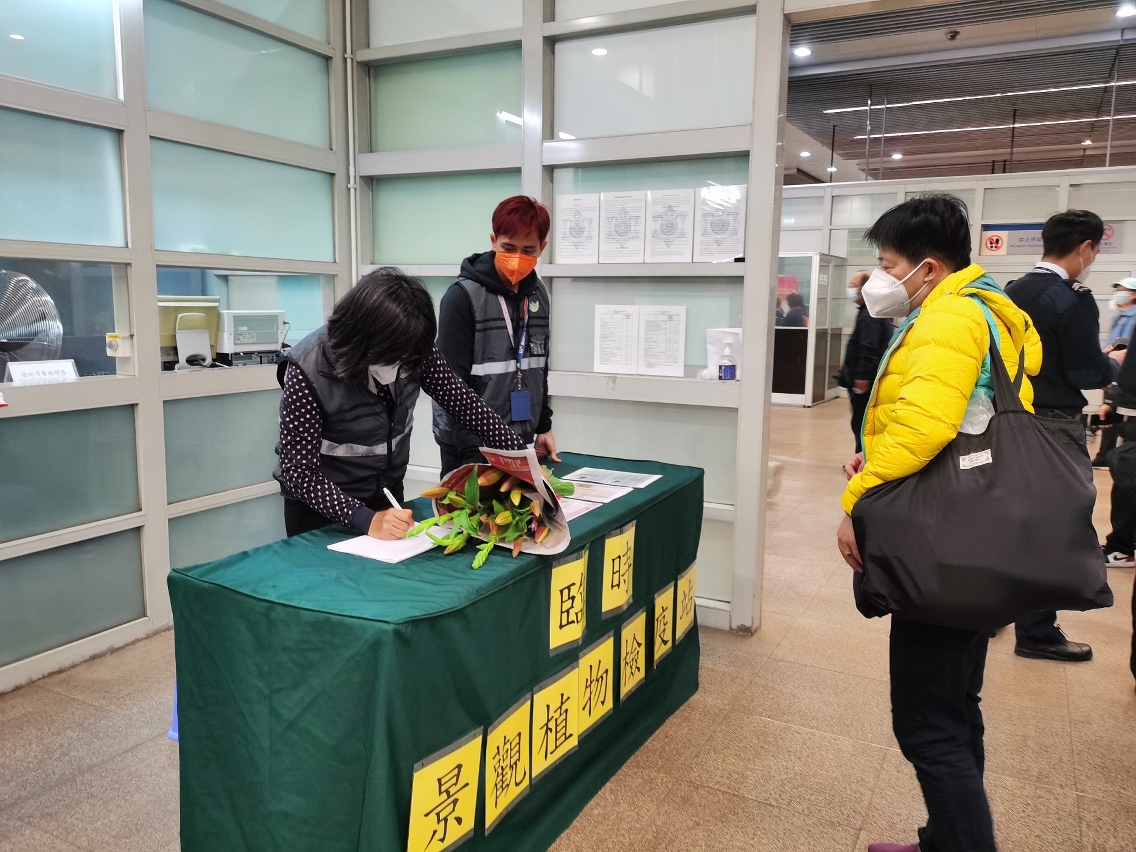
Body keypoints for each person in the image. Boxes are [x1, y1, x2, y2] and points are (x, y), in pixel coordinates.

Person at [836, 194, 1042, 852]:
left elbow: (924, 431)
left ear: (928, 267)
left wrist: (857, 501)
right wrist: (878, 450)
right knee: (954, 705)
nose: (880, 277)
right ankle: (945, 840)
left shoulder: (949, 317)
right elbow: (960, 420)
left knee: (927, 723)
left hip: (944, 543)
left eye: (888, 263)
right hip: (978, 531)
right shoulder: (984, 308)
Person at [274, 268, 526, 539]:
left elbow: (465, 404)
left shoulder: (411, 346)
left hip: (386, 494)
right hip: (321, 511)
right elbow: (297, 472)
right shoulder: (308, 370)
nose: (401, 366)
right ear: (363, 342)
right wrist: (366, 519)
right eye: (393, 358)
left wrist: (522, 461)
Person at [1005, 209, 1123, 663]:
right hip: (1054, 425)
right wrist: (1112, 362)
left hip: (1010, 419)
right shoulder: (1072, 299)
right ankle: (1036, 632)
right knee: (1054, 526)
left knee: (1009, 516)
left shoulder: (1012, 291)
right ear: (1086, 247)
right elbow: (1086, 372)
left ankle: (993, 606)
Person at [435, 196, 558, 476]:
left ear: (542, 247)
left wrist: (543, 425)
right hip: (468, 445)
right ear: (493, 241)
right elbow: (449, 385)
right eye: (508, 248)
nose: (517, 258)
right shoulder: (462, 297)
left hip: (519, 440)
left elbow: (539, 366)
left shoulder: (538, 295)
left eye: (528, 250)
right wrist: (472, 453)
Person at [838, 270, 894, 452]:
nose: (850, 289)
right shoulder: (871, 309)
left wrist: (862, 376)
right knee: (862, 421)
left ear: (865, 288)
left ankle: (862, 458)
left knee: (861, 422)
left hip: (865, 381)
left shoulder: (870, 313)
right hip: (867, 376)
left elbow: (868, 346)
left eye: (853, 285)